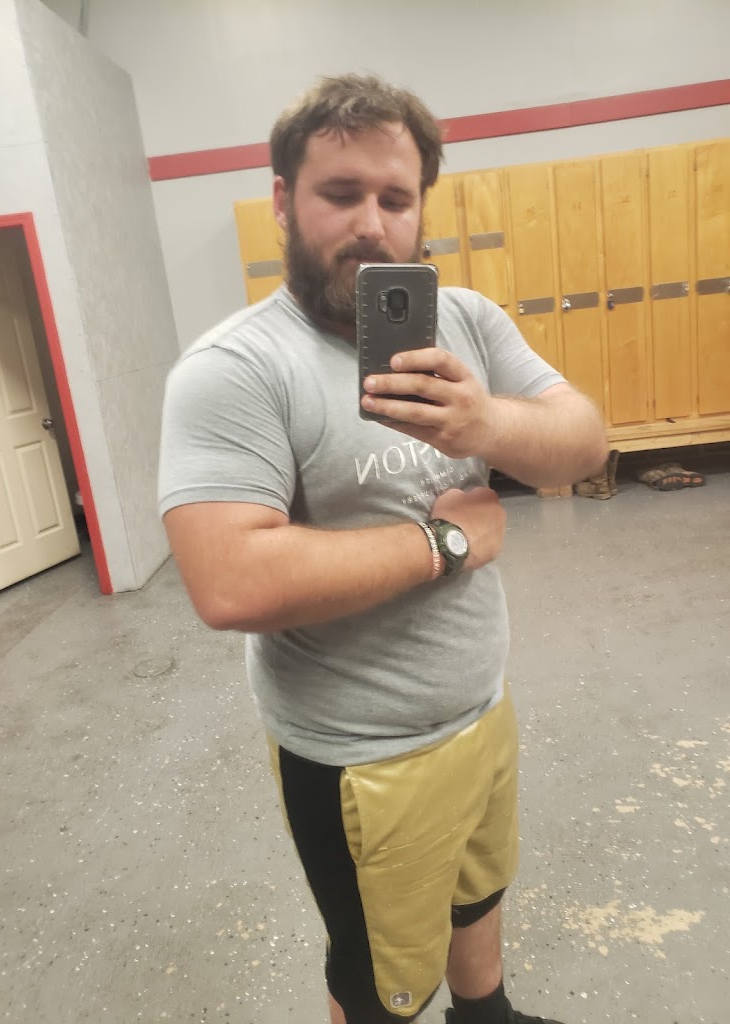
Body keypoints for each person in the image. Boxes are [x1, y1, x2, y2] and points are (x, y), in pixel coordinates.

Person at [158, 74, 609, 1024]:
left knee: (479, 891)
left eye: (396, 199)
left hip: (480, 706)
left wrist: (487, 422)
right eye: (341, 193)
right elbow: (229, 580)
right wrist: (445, 540)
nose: (371, 223)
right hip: (362, 759)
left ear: (421, 209)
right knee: (378, 982)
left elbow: (585, 441)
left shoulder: (469, 321)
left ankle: (487, 1015)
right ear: (283, 200)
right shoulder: (236, 368)